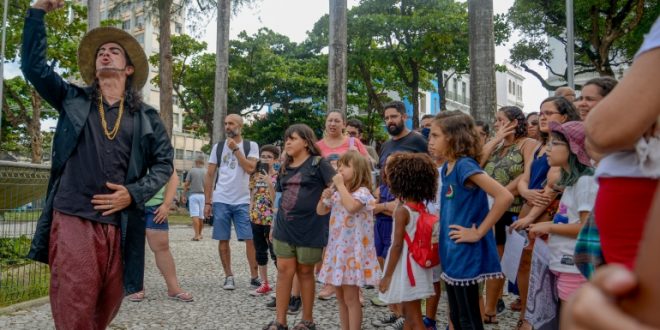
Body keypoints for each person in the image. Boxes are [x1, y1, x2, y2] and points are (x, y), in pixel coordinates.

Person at [21, 1, 174, 328]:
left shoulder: (146, 117)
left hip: (121, 223)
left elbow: (164, 164)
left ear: (128, 68)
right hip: (73, 214)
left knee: (107, 303)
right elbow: (34, 68)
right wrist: (37, 11)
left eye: (114, 51)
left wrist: (132, 193)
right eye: (100, 51)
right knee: (74, 303)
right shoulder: (72, 99)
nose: (105, 53)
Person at [584, 18, 660, 271]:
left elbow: (604, 131)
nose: (583, 105)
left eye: (589, 100)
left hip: (640, 221)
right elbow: (597, 143)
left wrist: (626, 121)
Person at [429, 111, 513, 330]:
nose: (430, 141)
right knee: (456, 315)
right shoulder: (450, 165)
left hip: (464, 252)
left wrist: (478, 231)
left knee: (468, 319)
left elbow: (504, 196)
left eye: (435, 136)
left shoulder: (464, 165)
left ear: (453, 138)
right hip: (451, 251)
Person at [510, 96, 580, 330]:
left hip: (547, 214)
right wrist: (525, 192)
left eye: (549, 113)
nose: (542, 117)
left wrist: (531, 216)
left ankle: (541, 318)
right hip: (528, 208)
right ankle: (526, 314)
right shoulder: (539, 146)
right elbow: (525, 178)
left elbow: (552, 187)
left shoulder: (566, 151)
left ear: (565, 118)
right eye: (541, 112)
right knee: (523, 265)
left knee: (542, 271)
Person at [263, 124, 335, 330]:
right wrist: (273, 225)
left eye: (292, 138)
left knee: (305, 272)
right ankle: (280, 321)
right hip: (285, 226)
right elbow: (278, 197)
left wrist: (328, 194)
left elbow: (335, 183)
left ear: (306, 141)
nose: (287, 142)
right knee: (284, 271)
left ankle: (307, 321)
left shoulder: (319, 163)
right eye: (286, 138)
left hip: (311, 227)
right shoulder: (285, 166)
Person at [526, 121, 597, 307]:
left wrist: (548, 226)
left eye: (555, 143)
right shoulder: (572, 183)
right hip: (565, 265)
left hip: (575, 268)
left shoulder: (585, 182)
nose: (548, 148)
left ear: (574, 149)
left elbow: (585, 228)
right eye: (549, 142)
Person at [371, 101, 427, 329]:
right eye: (386, 118)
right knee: (384, 257)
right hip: (384, 207)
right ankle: (395, 313)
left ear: (405, 117)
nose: (389, 121)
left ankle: (410, 316)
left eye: (394, 116)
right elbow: (381, 174)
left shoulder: (417, 141)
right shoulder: (385, 145)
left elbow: (427, 172)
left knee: (401, 260)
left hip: (407, 205)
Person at [480, 106, 538, 323]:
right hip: (491, 208)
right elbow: (477, 164)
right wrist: (496, 139)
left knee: (519, 262)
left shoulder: (528, 144)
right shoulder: (496, 146)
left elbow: (527, 173)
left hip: (513, 208)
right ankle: (490, 308)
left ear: (514, 122)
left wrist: (502, 195)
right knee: (495, 260)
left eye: (500, 120)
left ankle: (525, 313)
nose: (496, 124)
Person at [317, 151, 381, 330]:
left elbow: (352, 207)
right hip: (337, 251)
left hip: (353, 252)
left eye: (346, 166)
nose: (340, 169)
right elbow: (320, 211)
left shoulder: (363, 192)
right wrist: (326, 197)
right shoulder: (339, 193)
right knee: (340, 297)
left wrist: (340, 186)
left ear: (359, 170)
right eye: (339, 166)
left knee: (351, 298)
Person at [378, 152, 437, 330]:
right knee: (410, 316)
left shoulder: (402, 211)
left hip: (406, 269)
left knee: (414, 317)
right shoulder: (420, 207)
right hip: (417, 266)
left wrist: (386, 276)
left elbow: (396, 245)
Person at [316, 110, 369, 300]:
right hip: (329, 195)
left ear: (344, 124)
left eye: (337, 121)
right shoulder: (318, 145)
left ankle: (357, 287)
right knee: (329, 241)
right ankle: (331, 282)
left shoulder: (353, 143)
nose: (332, 124)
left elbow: (368, 164)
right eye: (329, 120)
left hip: (352, 192)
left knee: (354, 242)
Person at [203, 114, 260, 290]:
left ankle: (254, 276)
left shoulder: (251, 146)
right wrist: (208, 202)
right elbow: (210, 175)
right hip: (221, 199)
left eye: (231, 123)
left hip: (243, 200)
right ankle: (228, 276)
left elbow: (251, 169)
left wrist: (236, 150)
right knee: (223, 238)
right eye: (225, 123)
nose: (227, 126)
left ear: (240, 126)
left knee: (250, 239)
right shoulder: (218, 148)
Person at [128, 171, 193, 303]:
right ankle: (136, 287)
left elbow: (173, 177)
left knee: (162, 246)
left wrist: (166, 204)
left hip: (155, 206)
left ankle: (173, 288)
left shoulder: (159, 149)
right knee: (133, 246)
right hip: (131, 203)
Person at [249, 145, 280, 296]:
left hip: (271, 220)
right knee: (260, 252)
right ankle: (265, 284)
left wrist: (269, 182)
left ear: (275, 160)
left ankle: (282, 285)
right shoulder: (255, 176)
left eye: (269, 156)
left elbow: (276, 199)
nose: (265, 159)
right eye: (263, 156)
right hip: (256, 219)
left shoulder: (279, 176)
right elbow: (253, 195)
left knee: (276, 253)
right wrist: (250, 211)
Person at [183, 156, 207, 241]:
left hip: (193, 195)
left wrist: (183, 195)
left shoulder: (192, 171)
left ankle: (196, 235)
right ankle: (200, 234)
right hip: (204, 196)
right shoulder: (206, 171)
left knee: (195, 215)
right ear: (203, 162)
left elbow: (186, 184)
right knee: (201, 216)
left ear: (196, 162)